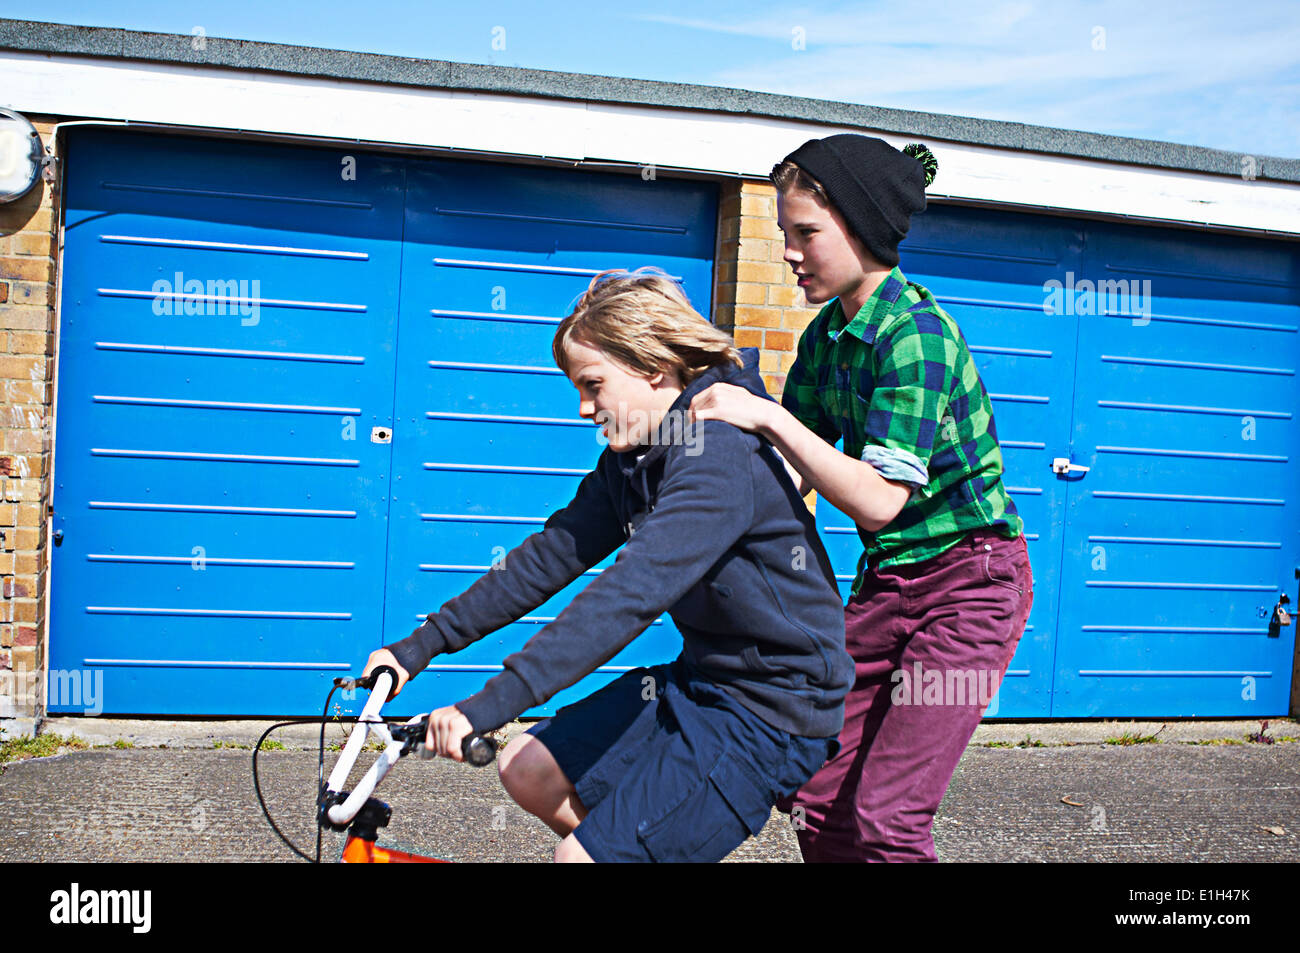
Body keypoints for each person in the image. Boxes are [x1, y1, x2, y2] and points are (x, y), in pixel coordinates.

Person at [363, 267, 853, 863]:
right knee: (527, 766)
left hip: (772, 711)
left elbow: (628, 595)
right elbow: (547, 558)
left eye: (593, 385)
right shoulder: (636, 456)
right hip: (702, 682)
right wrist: (420, 647)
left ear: (651, 366)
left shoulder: (716, 454)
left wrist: (488, 706)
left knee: (581, 859)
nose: (583, 408)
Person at [689, 134, 1034, 862]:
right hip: (887, 586)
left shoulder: (917, 336)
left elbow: (880, 501)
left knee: (887, 813)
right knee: (816, 786)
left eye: (806, 232)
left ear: (863, 227)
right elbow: (790, 475)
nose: (789, 252)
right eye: (784, 234)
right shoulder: (824, 341)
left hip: (970, 584)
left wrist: (770, 415)